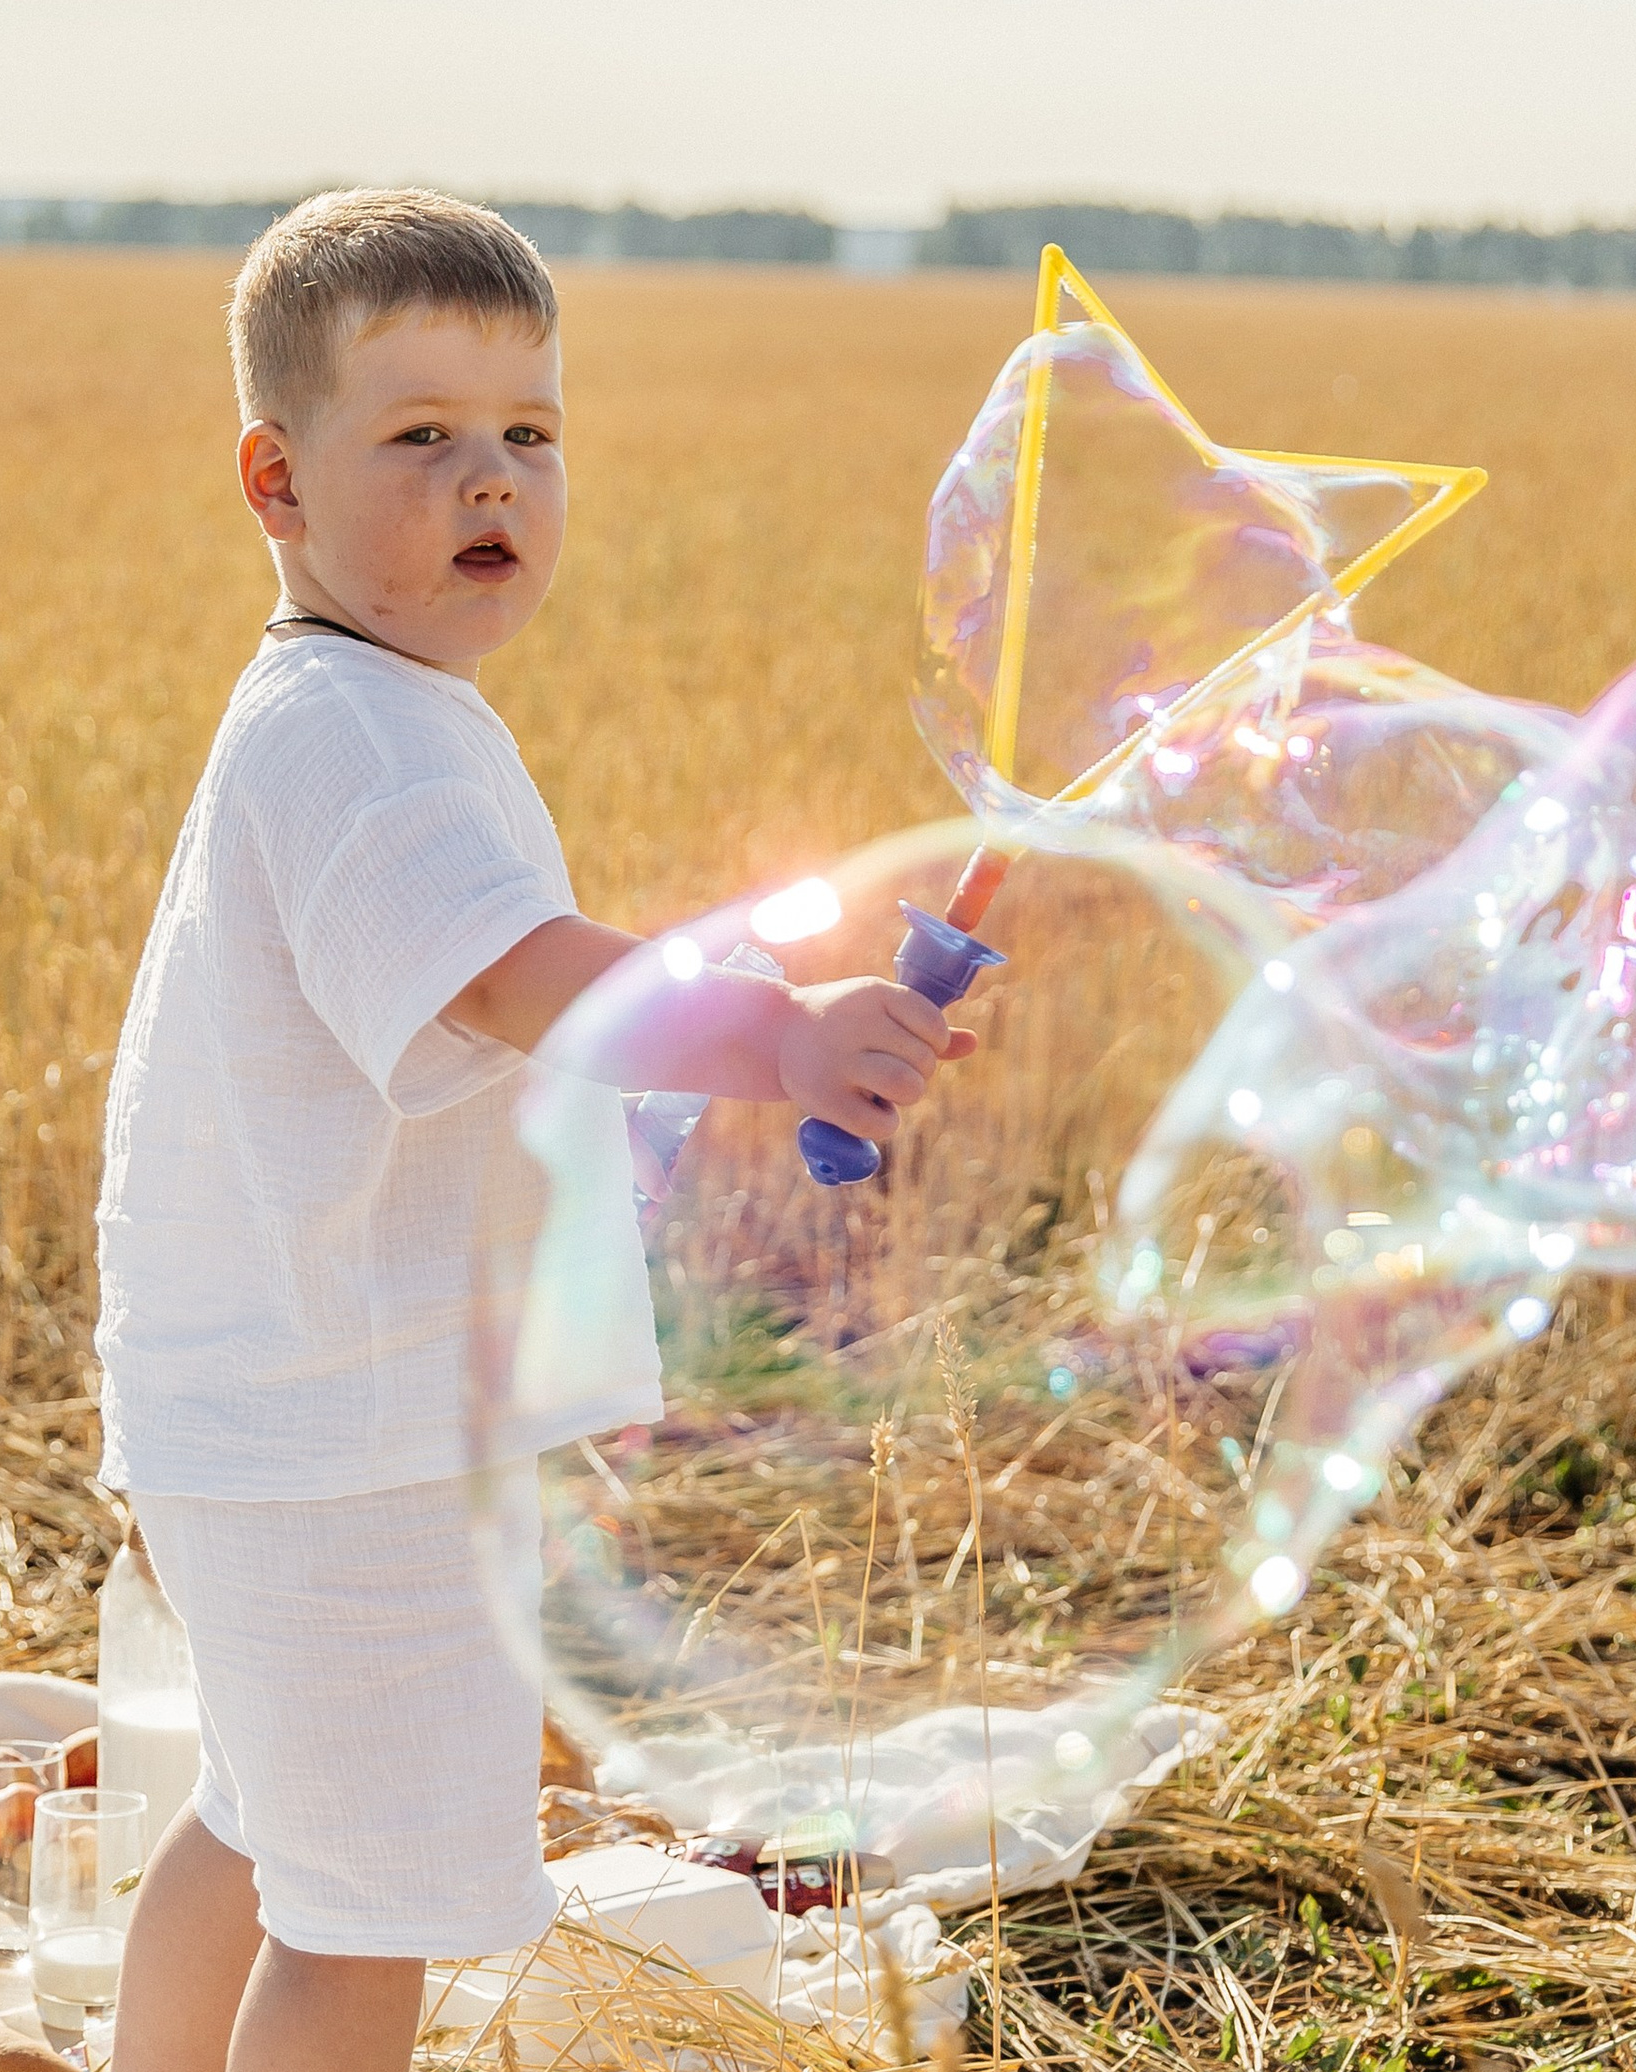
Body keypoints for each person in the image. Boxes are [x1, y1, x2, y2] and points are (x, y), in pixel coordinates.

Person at [94, 189, 975, 2070]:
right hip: (355, 1442)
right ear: (276, 481)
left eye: (530, 433)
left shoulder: (361, 706)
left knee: (263, 1827)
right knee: (364, 1923)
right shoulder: (359, 736)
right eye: (420, 434)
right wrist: (777, 1037)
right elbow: (511, 979)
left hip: (280, 1412)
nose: (489, 476)